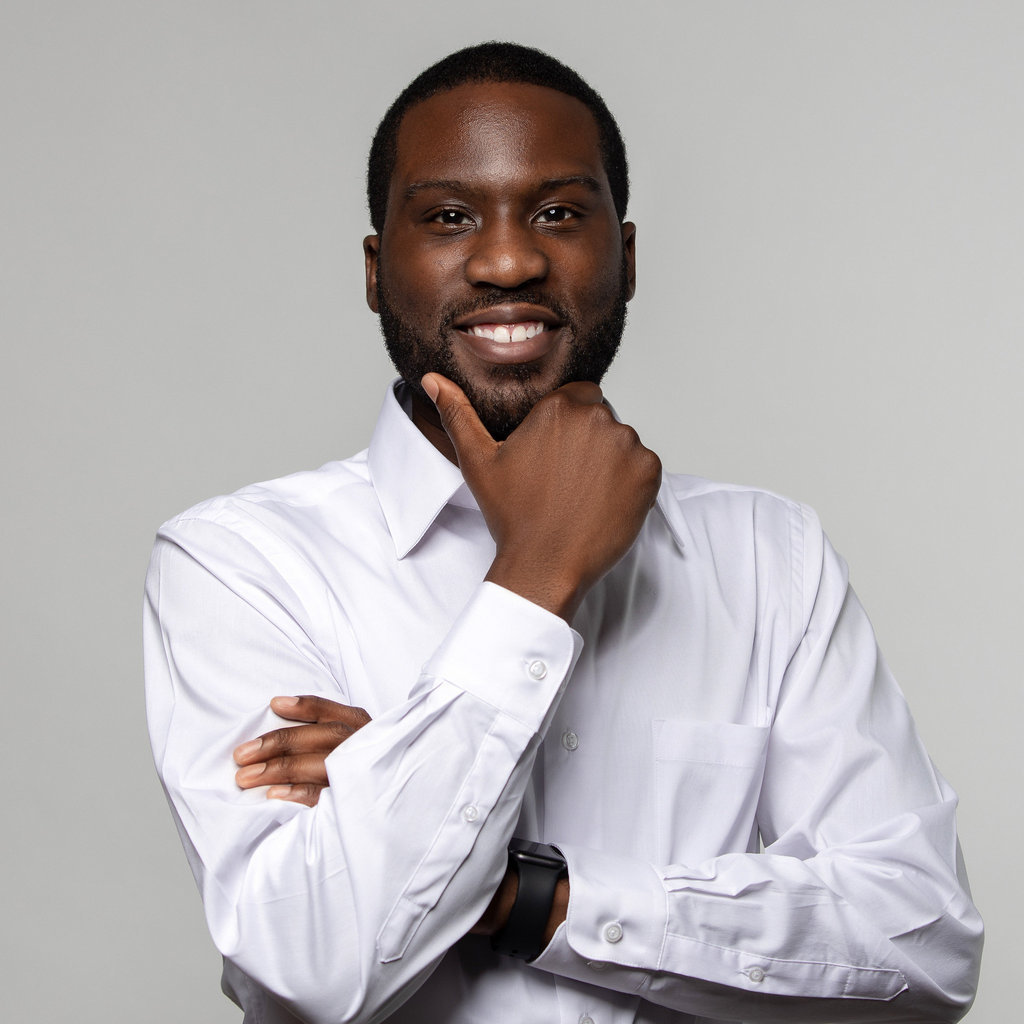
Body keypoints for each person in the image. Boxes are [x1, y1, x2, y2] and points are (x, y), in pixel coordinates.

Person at [144, 41, 982, 1024]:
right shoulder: (239, 564)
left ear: (627, 260)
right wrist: (535, 575)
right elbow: (310, 969)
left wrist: (506, 883)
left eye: (557, 213)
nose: (508, 261)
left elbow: (922, 946)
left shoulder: (770, 558)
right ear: (376, 271)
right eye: (449, 217)